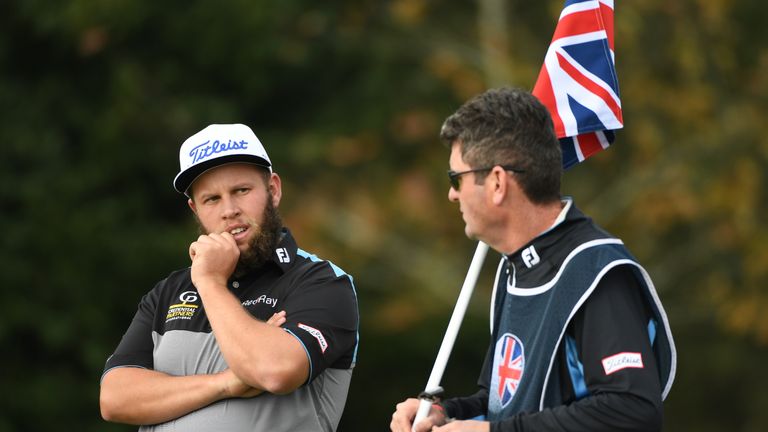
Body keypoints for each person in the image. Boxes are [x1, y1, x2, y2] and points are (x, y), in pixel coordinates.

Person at [390, 88, 676, 432]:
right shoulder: (511, 270)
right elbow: (500, 403)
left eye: (456, 178)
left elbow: (632, 410)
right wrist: (443, 413)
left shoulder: (596, 271)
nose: (451, 193)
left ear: (497, 182)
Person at [100, 123, 359, 432]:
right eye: (212, 199)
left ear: (273, 190)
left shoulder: (322, 281)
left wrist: (210, 283)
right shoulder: (169, 291)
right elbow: (115, 398)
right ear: (195, 209)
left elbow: (274, 371)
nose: (229, 210)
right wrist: (227, 383)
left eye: (241, 190)